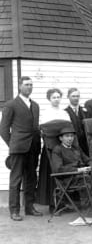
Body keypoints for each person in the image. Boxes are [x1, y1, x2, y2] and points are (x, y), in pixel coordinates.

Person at [0, 76, 42, 221]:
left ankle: (29, 208)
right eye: (26, 85)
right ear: (19, 86)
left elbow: (35, 127)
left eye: (31, 85)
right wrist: (13, 144)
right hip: (18, 148)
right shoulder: (11, 104)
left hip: (33, 147)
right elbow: (3, 129)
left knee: (31, 178)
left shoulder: (35, 105)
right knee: (16, 179)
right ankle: (14, 210)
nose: (29, 87)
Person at [51, 126, 92, 215]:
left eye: (71, 136)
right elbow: (58, 169)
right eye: (67, 136)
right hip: (68, 178)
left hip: (82, 175)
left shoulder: (76, 148)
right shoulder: (57, 150)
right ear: (60, 138)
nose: (70, 138)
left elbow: (88, 160)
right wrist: (78, 170)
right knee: (90, 178)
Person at [37, 88, 72, 207]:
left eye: (58, 97)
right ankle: (53, 204)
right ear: (49, 99)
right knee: (52, 175)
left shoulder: (64, 113)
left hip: (63, 147)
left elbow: (68, 129)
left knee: (65, 172)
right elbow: (44, 130)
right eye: (54, 97)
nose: (56, 99)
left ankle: (64, 202)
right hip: (50, 148)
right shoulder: (46, 113)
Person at [65, 88, 89, 155]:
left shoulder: (85, 111)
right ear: (68, 97)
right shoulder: (65, 112)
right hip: (72, 142)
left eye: (77, 96)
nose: (76, 98)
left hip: (85, 143)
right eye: (73, 96)